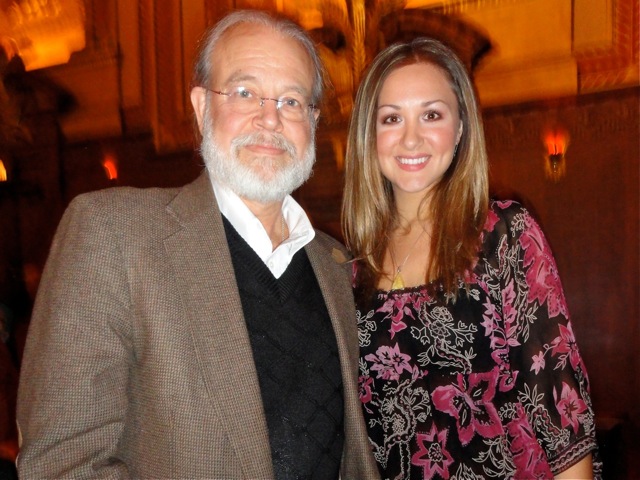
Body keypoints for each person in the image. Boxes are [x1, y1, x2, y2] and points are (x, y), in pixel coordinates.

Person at [16, 10, 379, 479]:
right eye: (245, 92)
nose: (269, 118)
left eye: (292, 101)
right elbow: (61, 462)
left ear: (311, 120)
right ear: (202, 106)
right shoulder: (113, 234)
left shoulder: (332, 264)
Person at [342, 37, 602, 479]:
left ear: (460, 127)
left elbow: (564, 419)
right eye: (391, 118)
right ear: (369, 136)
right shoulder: (348, 270)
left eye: (431, 114)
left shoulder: (504, 236)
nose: (410, 137)